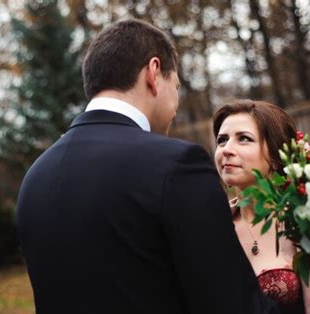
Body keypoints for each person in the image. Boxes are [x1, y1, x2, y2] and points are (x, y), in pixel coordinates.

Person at [16, 19, 278, 314]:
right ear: (154, 73)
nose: (176, 105)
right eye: (176, 86)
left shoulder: (34, 179)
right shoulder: (175, 165)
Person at [213, 100, 310, 314]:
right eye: (222, 141)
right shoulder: (211, 227)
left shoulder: (309, 220)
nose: (227, 150)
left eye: (244, 139)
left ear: (277, 156)